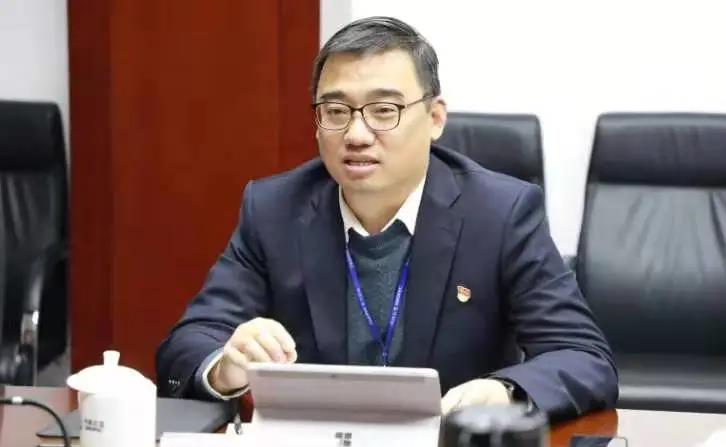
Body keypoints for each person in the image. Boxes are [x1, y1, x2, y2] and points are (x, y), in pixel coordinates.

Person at [156, 16, 617, 421]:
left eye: (383, 111)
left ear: (435, 118)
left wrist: (504, 392)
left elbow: (583, 356)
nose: (356, 134)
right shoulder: (275, 209)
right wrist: (227, 366)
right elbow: (186, 346)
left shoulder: (500, 214)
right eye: (336, 111)